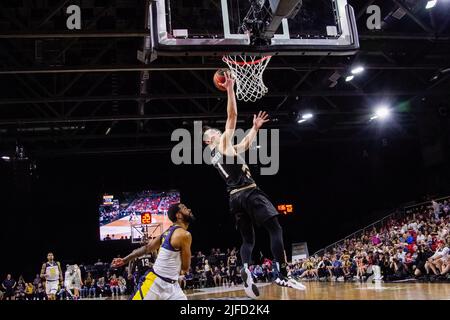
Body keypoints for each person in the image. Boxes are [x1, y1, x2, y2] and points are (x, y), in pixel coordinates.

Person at [202, 71, 305, 299]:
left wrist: (255, 128)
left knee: (248, 240)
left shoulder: (216, 153)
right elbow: (232, 116)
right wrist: (230, 89)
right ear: (209, 140)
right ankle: (282, 273)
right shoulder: (221, 145)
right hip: (249, 192)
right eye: (215, 133)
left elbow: (244, 146)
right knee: (275, 228)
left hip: (234, 199)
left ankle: (246, 269)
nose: (219, 133)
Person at [111, 203, 194, 300]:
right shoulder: (184, 235)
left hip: (172, 286)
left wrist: (124, 260)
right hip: (155, 283)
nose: (189, 209)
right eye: (184, 208)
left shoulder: (167, 232)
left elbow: (146, 248)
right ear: (178, 215)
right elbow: (185, 267)